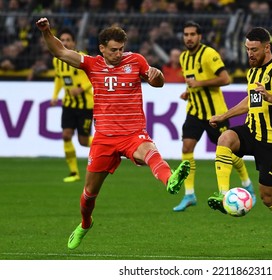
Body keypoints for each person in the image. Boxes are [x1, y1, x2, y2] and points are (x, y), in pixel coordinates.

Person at [36, 17, 190, 250]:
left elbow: (156, 81)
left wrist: (157, 77)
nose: (119, 54)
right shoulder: (91, 64)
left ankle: (170, 181)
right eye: (114, 50)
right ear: (102, 49)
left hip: (132, 133)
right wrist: (47, 31)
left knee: (150, 151)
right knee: (89, 195)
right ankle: (85, 224)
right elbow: (59, 51)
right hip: (104, 139)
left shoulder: (136, 61)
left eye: (121, 49)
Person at [208, 27, 272, 259]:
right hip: (252, 131)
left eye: (254, 49)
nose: (250, 54)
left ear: (267, 47)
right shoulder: (253, 72)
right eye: (247, 49)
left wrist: (270, 96)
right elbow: (251, 101)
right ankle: (223, 194)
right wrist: (224, 116)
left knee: (268, 197)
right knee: (225, 138)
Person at [173, 21, 255, 212]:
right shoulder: (184, 57)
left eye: (193, 34)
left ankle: (247, 184)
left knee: (228, 152)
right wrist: (188, 91)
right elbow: (192, 81)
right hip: (194, 111)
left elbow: (226, 79)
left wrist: (199, 84)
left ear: (200, 36)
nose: (189, 38)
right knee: (187, 147)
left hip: (215, 113)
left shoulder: (209, 54)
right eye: (186, 34)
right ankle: (189, 194)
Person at [50, 28, 94, 183]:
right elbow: (59, 78)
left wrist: (81, 88)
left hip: (85, 105)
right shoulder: (57, 60)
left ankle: (108, 147)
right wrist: (55, 96)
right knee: (66, 135)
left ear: (74, 42)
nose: (65, 42)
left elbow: (93, 76)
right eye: (62, 40)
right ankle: (74, 172)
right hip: (68, 104)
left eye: (68, 39)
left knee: (83, 141)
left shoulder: (81, 57)